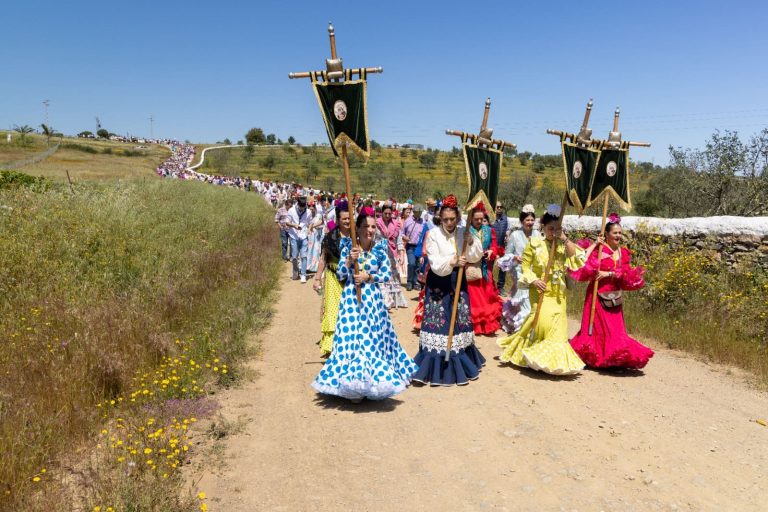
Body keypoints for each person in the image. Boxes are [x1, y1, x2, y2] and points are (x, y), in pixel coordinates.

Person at [312, 213, 418, 402]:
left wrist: (369, 277)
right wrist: (349, 261)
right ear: (357, 229)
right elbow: (341, 276)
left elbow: (387, 274)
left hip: (372, 301)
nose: (370, 231)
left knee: (371, 340)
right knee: (351, 340)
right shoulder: (348, 248)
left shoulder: (379, 249)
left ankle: (371, 382)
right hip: (351, 301)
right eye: (366, 227)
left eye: (372, 227)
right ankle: (353, 384)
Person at [496, 204, 586, 375]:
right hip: (540, 293)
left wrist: (565, 239)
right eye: (550, 228)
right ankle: (532, 354)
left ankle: (552, 362)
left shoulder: (562, 246)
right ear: (543, 227)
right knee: (542, 324)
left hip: (558, 295)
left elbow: (578, 258)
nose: (553, 232)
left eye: (556, 229)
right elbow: (525, 267)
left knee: (559, 329)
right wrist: (534, 280)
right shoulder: (535, 244)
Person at [412, 195, 485, 386]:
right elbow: (435, 263)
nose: (450, 223)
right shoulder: (434, 235)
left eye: (453, 219)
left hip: (458, 282)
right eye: (446, 219)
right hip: (439, 283)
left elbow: (477, 255)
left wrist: (470, 242)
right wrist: (453, 261)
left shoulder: (463, 231)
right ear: (440, 218)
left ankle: (460, 357)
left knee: (459, 320)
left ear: (458, 218)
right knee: (439, 323)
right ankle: (435, 364)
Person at [568, 213, 654, 369]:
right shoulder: (599, 250)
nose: (618, 236)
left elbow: (624, 271)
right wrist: (595, 244)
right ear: (606, 234)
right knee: (596, 326)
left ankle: (614, 356)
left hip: (614, 295)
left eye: (620, 233)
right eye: (615, 233)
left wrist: (610, 273)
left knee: (615, 328)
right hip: (597, 293)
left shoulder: (623, 252)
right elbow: (582, 259)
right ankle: (593, 356)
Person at [313, 203, 351, 357]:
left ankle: (349, 343)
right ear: (337, 219)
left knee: (349, 310)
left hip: (351, 279)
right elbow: (323, 258)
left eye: (350, 218)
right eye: (344, 219)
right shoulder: (330, 237)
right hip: (333, 277)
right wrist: (317, 278)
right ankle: (332, 346)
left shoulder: (356, 235)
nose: (348, 221)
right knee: (334, 310)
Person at [500, 205, 540, 334]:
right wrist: (514, 258)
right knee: (524, 299)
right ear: (522, 221)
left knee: (529, 299)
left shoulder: (538, 234)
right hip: (519, 272)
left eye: (532, 220)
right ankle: (522, 328)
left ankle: (525, 324)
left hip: (535, 272)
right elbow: (507, 254)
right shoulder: (515, 235)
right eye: (527, 220)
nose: (530, 223)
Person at [465, 204, 503, 335]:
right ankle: (474, 326)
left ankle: (486, 325)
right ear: (471, 219)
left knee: (487, 297)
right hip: (472, 268)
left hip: (485, 268)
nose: (480, 221)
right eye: (476, 219)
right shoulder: (466, 231)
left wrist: (491, 253)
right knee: (474, 299)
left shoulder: (489, 230)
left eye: (482, 219)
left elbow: (494, 247)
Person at [376, 202, 408, 309]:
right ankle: (384, 300)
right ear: (382, 213)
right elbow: (373, 238)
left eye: (389, 213)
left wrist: (401, 252)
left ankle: (395, 300)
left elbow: (398, 239)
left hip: (392, 252)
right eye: (385, 213)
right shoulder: (377, 223)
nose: (387, 216)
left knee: (393, 274)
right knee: (381, 273)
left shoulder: (395, 224)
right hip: (379, 252)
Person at [285, 196, 312, 283]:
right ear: (298, 204)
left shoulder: (308, 212)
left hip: (304, 236)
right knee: (294, 257)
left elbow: (310, 222)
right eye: (301, 207)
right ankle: (295, 273)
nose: (303, 208)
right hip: (294, 236)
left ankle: (303, 275)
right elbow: (287, 222)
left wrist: (309, 229)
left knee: (304, 256)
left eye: (304, 207)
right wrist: (294, 225)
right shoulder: (291, 210)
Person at [402, 205, 426, 291]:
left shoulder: (423, 222)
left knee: (418, 265)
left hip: (419, 246)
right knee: (411, 263)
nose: (419, 214)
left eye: (420, 212)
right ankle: (409, 281)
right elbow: (402, 233)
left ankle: (414, 282)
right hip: (410, 246)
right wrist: (405, 238)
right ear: (414, 212)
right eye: (417, 212)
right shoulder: (408, 221)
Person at [492, 201, 509, 295]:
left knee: (503, 267)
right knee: (489, 268)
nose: (499, 208)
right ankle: (489, 287)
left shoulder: (505, 219)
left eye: (500, 207)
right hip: (491, 246)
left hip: (501, 246)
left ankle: (500, 288)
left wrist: (508, 234)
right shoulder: (490, 218)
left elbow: (508, 229)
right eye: (497, 207)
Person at [305, 202, 324, 274]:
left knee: (316, 250)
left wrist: (312, 226)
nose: (311, 210)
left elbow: (321, 222)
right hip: (308, 235)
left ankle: (314, 267)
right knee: (308, 250)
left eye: (312, 208)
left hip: (317, 235)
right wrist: (309, 227)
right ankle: (306, 267)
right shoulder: (306, 215)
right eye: (310, 208)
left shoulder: (319, 215)